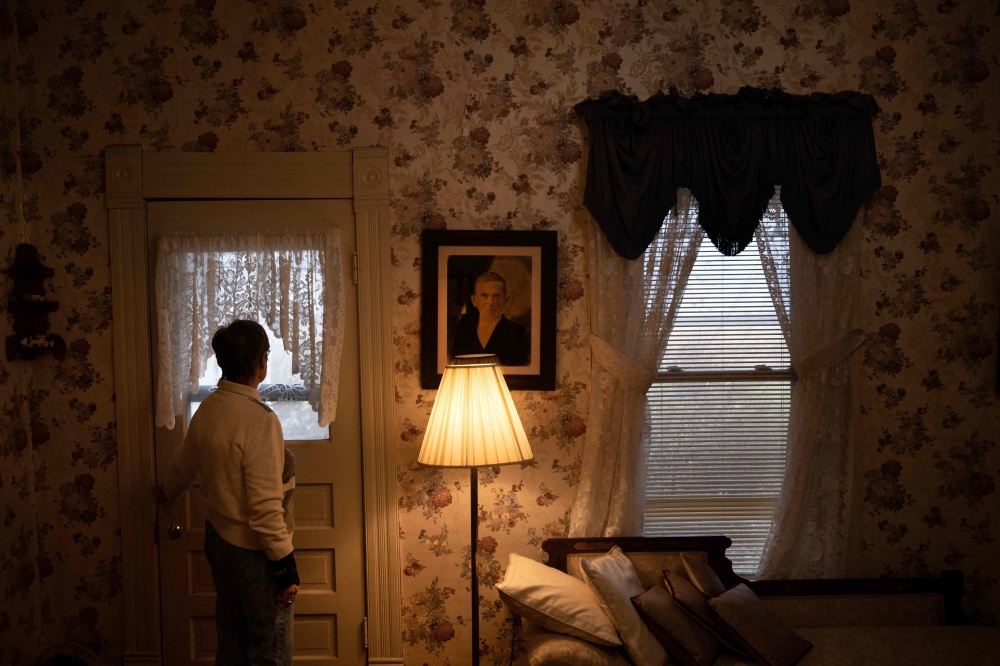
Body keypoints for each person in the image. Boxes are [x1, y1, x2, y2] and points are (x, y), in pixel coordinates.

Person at [157, 320, 298, 666]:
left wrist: (167, 494)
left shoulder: (210, 408)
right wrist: (285, 568)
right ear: (262, 360)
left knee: (232, 640)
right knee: (269, 650)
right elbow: (265, 508)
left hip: (219, 541)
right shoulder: (260, 420)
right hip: (252, 551)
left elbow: (182, 466)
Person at [452, 271, 530, 365]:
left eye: (496, 296)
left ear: (505, 301)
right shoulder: (462, 333)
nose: (490, 302)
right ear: (474, 300)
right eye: (484, 296)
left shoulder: (520, 334)